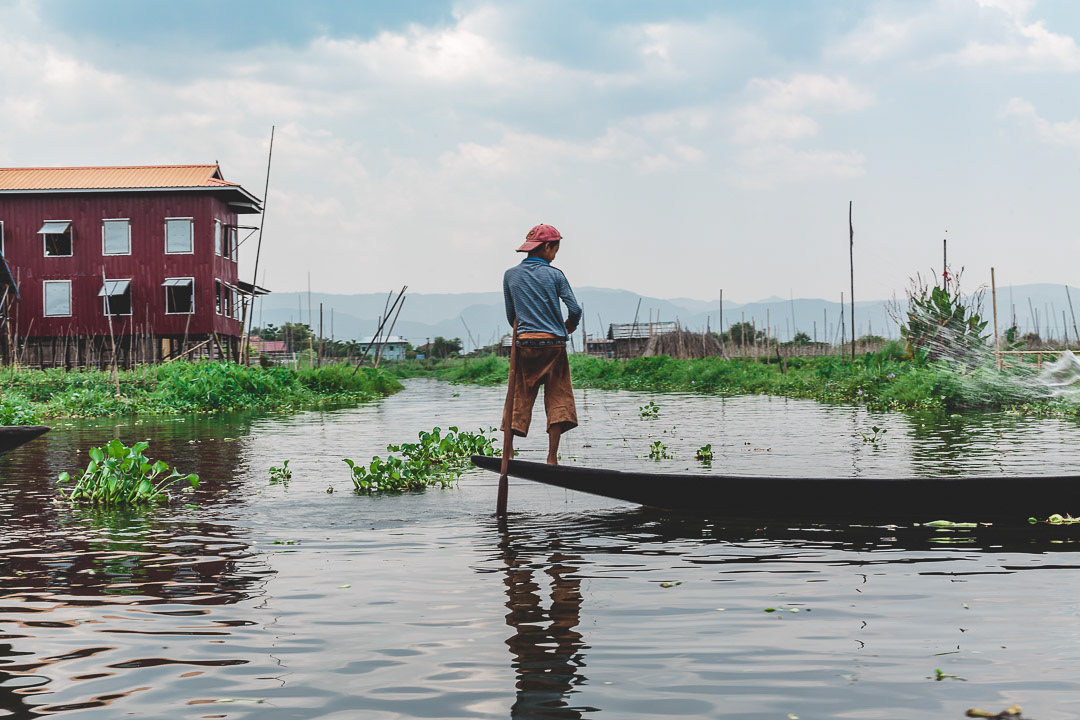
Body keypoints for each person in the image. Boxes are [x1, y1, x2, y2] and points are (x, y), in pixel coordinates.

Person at [502, 224, 582, 465]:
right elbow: (575, 309)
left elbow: (511, 316)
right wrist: (569, 325)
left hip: (525, 344)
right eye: (555, 250)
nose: (555, 255)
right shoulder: (556, 275)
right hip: (554, 344)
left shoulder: (510, 275)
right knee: (558, 396)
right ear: (547, 247)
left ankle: (508, 452)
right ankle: (551, 458)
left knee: (518, 395)